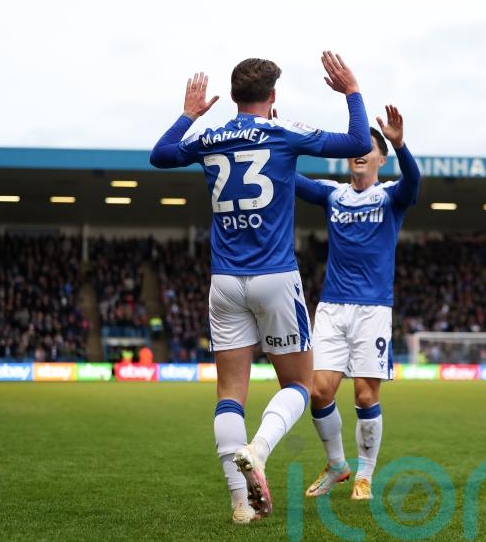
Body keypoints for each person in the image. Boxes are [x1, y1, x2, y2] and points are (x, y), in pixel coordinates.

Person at [150, 52, 371, 524]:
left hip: (224, 280)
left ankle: (239, 502)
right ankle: (259, 449)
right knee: (298, 383)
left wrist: (189, 114)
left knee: (229, 392)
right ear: (272, 97)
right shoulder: (283, 131)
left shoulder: (209, 138)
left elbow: (161, 155)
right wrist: (351, 90)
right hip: (274, 277)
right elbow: (356, 140)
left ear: (231, 97)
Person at [294, 105, 420, 500]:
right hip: (332, 307)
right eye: (356, 147)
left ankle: (365, 473)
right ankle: (337, 465)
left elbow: (413, 183)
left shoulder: (390, 197)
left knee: (365, 395)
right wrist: (276, 140)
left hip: (373, 310)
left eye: (370, 147)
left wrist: (402, 146)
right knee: (319, 391)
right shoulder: (333, 194)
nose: (360, 151)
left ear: (381, 158)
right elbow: (291, 180)